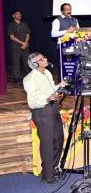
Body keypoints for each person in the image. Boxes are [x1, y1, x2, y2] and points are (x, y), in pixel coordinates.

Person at [23, 52, 65, 184]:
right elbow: (33, 101)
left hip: (53, 109)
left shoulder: (47, 73)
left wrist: (60, 86)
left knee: (59, 139)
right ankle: (47, 175)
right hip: (41, 111)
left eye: (44, 57)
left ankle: (52, 168)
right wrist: (48, 98)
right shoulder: (29, 79)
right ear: (35, 64)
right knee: (47, 143)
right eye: (42, 59)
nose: (46, 59)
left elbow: (50, 89)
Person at [7, 9, 31, 83]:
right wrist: (22, 43)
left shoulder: (24, 24)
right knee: (16, 63)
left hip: (25, 46)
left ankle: (29, 76)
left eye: (20, 13)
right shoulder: (11, 25)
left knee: (27, 61)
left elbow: (28, 34)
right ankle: (16, 78)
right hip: (16, 47)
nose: (19, 15)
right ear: (13, 16)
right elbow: (12, 37)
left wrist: (25, 43)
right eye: (17, 13)